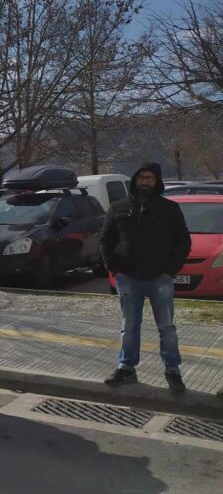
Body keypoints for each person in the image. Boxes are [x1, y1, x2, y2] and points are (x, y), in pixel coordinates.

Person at [100, 162, 191, 393]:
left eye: (150, 178)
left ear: (157, 181)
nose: (145, 182)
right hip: (128, 279)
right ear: (135, 179)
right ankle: (126, 368)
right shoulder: (118, 207)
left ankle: (173, 370)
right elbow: (105, 241)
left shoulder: (169, 208)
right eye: (141, 177)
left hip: (160, 279)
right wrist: (115, 270)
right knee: (129, 326)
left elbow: (183, 242)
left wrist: (170, 271)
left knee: (167, 328)